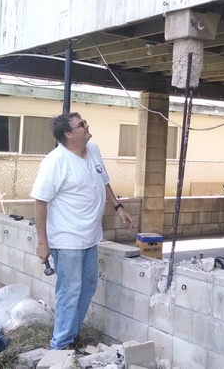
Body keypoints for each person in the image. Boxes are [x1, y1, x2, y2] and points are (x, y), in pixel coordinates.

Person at [31, 112, 133, 350]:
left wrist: (118, 207)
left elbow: (103, 180)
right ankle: (60, 344)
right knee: (70, 290)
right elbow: (39, 202)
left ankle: (70, 335)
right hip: (66, 239)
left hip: (90, 236)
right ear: (68, 134)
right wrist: (42, 242)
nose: (87, 126)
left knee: (88, 286)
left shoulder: (93, 149)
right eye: (81, 125)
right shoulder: (55, 161)